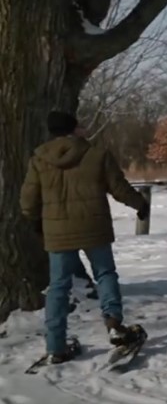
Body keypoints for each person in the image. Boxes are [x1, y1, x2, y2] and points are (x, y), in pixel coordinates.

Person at [20, 111, 149, 364]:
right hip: (94, 228)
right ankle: (114, 325)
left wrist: (37, 222)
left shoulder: (39, 159)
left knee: (58, 287)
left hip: (57, 234)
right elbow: (119, 187)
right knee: (105, 274)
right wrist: (140, 205)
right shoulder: (96, 154)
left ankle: (55, 346)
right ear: (74, 128)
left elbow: (28, 202)